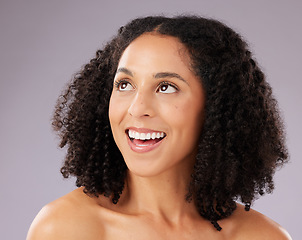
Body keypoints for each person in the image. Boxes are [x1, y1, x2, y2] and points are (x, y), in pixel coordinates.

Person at [27, 15, 292, 239]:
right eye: (124, 84)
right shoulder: (67, 229)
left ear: (217, 107)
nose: (137, 108)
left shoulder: (263, 236)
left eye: (166, 87)